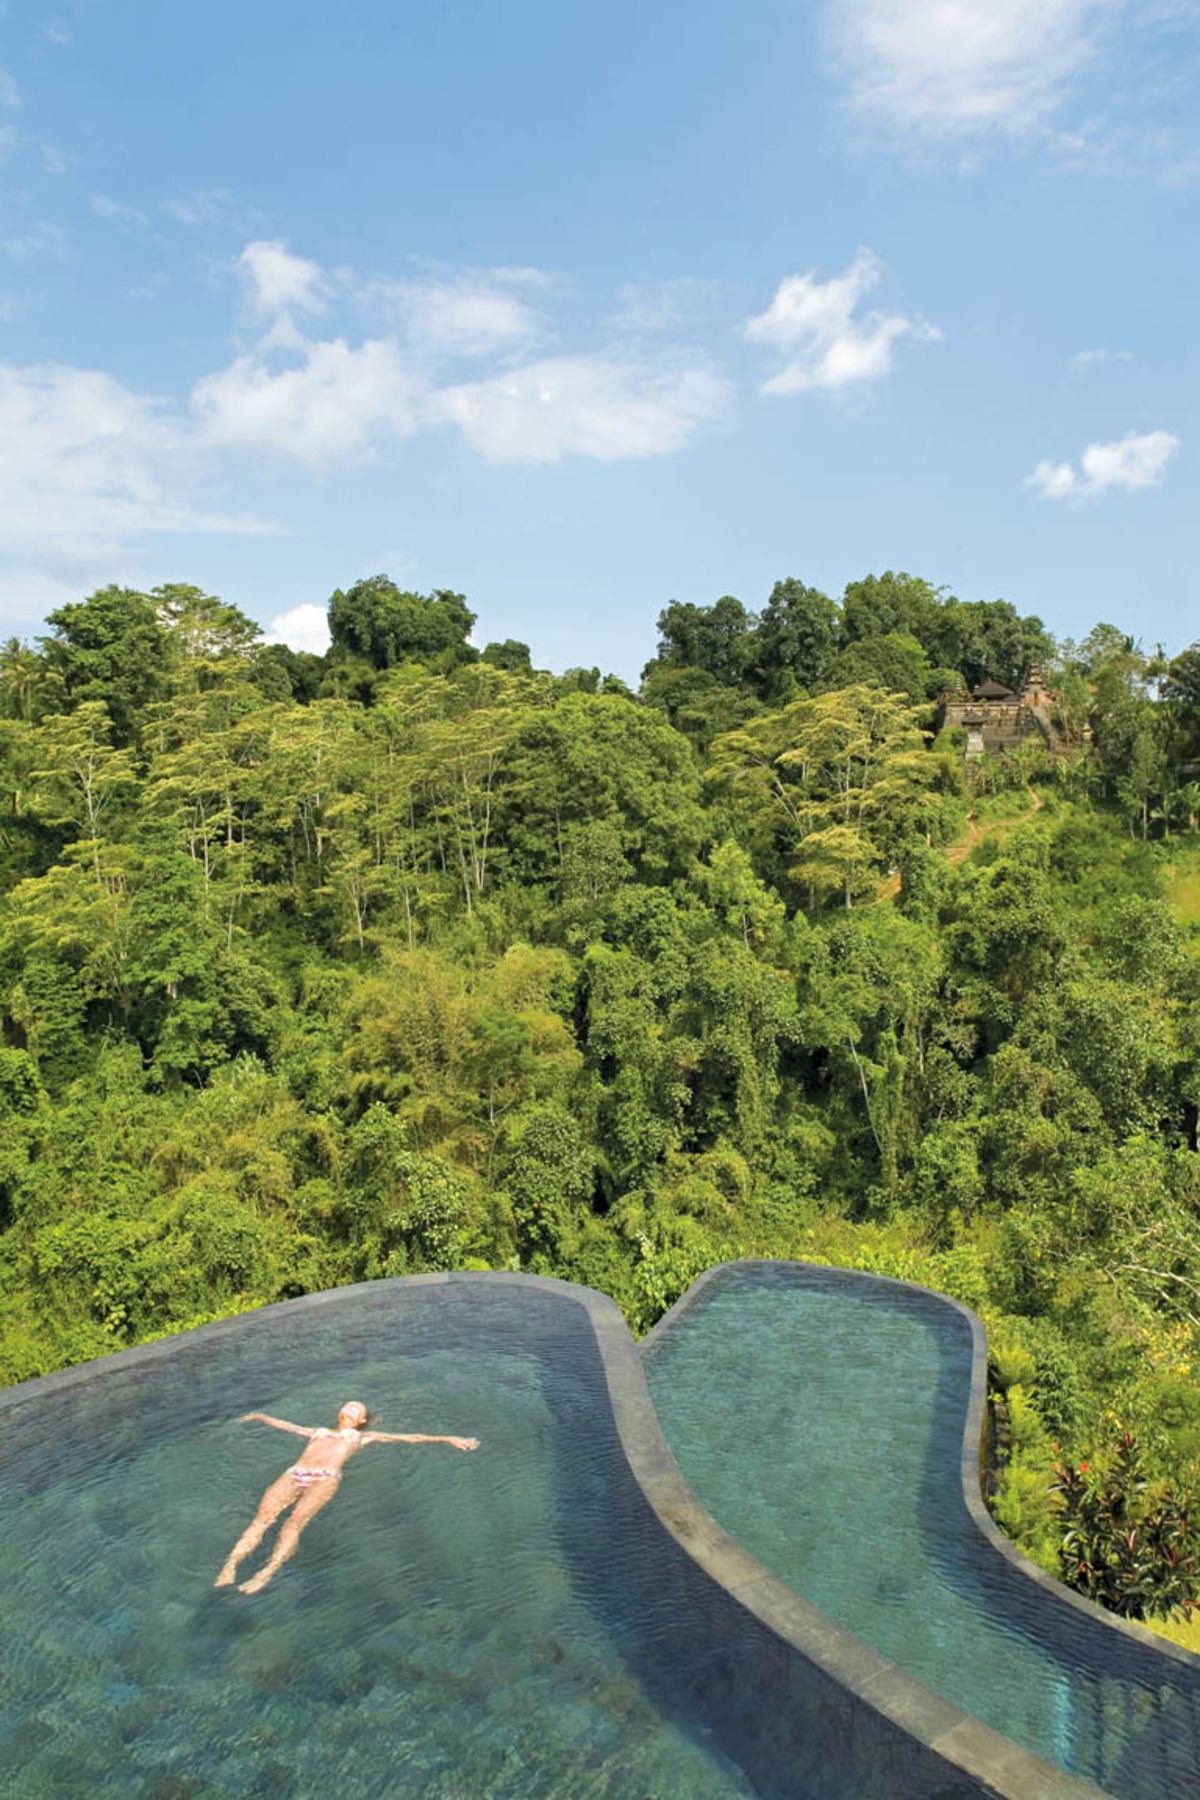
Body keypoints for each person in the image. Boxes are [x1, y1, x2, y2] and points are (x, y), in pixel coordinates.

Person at [215, 1399, 479, 1594]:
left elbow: (410, 1438)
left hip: (326, 1477)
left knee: (294, 1522)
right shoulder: (318, 1431)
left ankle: (266, 1573)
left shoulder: (363, 1437)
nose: (349, 1409)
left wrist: (448, 1438)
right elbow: (289, 1426)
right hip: (295, 1473)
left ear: (362, 1420)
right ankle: (230, 1567)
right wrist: (261, 1417)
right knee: (261, 1520)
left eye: (356, 1408)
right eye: (347, 1406)